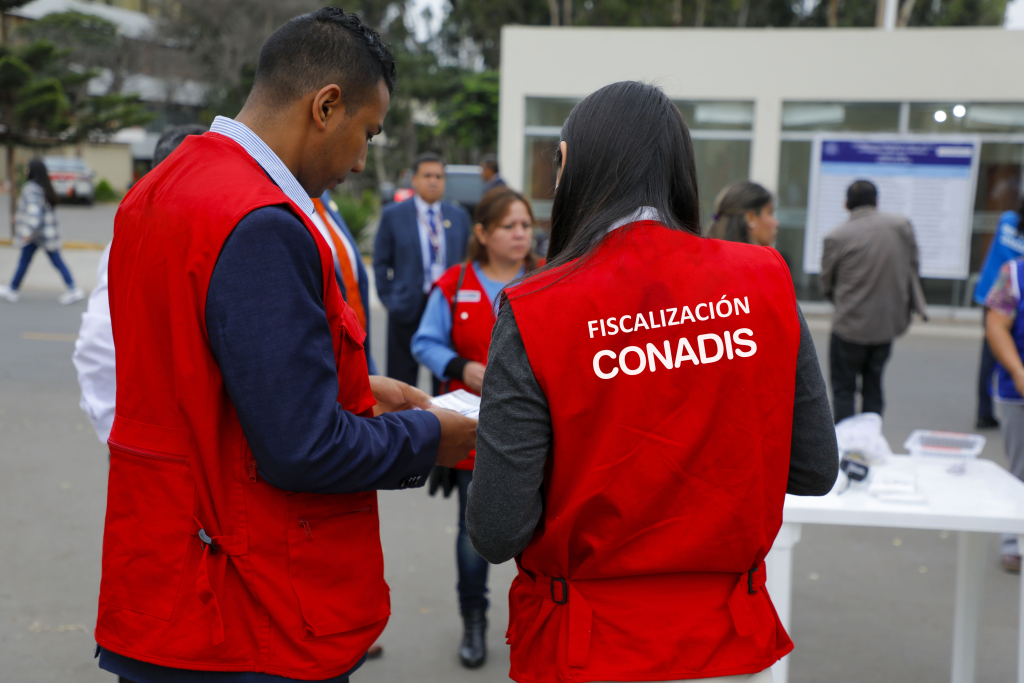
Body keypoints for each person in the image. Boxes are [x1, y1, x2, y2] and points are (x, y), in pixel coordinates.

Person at [94, 10, 476, 683]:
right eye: (367, 134)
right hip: (248, 607)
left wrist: (347, 388)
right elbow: (303, 448)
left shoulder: (160, 189)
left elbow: (207, 374)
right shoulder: (260, 220)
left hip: (166, 580)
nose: (361, 161)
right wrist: (430, 435)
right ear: (326, 105)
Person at [465, 81, 838, 683]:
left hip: (588, 646)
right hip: (727, 643)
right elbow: (814, 467)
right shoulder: (764, 278)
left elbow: (497, 528)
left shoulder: (536, 306)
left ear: (572, 166)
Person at [411, 186, 539, 668]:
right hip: (471, 434)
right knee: (474, 534)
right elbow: (424, 341)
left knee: (541, 533)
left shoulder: (546, 279)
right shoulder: (454, 283)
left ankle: (538, 620)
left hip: (536, 437)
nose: (521, 234)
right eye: (509, 226)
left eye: (526, 225)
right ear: (482, 233)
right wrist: (461, 365)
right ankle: (475, 620)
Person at [73, 125, 206, 445]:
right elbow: (98, 347)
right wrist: (125, 440)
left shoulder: (207, 236)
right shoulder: (135, 240)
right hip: (157, 453)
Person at [820, 179, 928, 423]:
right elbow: (913, 265)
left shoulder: (836, 236)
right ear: (876, 202)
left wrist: (841, 302)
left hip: (849, 325)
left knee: (844, 389)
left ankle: (845, 448)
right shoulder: (901, 225)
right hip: (886, 325)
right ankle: (870, 441)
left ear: (846, 204)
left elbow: (826, 283)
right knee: (874, 385)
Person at [373, 153, 470, 389]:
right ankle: (404, 425)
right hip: (406, 307)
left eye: (438, 176)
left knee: (445, 378)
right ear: (414, 180)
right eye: (427, 175)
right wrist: (389, 300)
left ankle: (444, 426)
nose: (433, 181)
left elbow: (468, 262)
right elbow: (380, 262)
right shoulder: (393, 215)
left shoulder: (459, 217)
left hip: (446, 308)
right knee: (401, 380)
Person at [984, 257, 1024, 572]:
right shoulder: (1014, 274)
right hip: (1018, 393)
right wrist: (1018, 371)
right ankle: (1014, 543)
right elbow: (996, 324)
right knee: (1021, 470)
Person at [0, 159, 85, 304]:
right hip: (46, 234)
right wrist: (20, 217)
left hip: (36, 235)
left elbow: (34, 213)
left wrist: (27, 232)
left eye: (28, 168)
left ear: (32, 171)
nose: (26, 171)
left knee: (41, 261)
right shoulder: (44, 186)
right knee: (34, 261)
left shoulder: (31, 188)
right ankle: (13, 289)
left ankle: (73, 289)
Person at [311, 191, 378, 373]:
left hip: (356, 336)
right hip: (331, 351)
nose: (358, 167)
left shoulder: (321, 196)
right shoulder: (287, 199)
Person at [973, 198, 1024, 429]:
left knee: (990, 354)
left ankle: (984, 411)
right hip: (1004, 294)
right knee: (1000, 349)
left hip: (991, 293)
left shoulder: (1006, 220)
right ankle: (988, 408)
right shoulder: (1017, 268)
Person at [706, 181, 778, 246]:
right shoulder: (757, 259)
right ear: (751, 217)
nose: (776, 223)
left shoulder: (704, 255)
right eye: (770, 213)